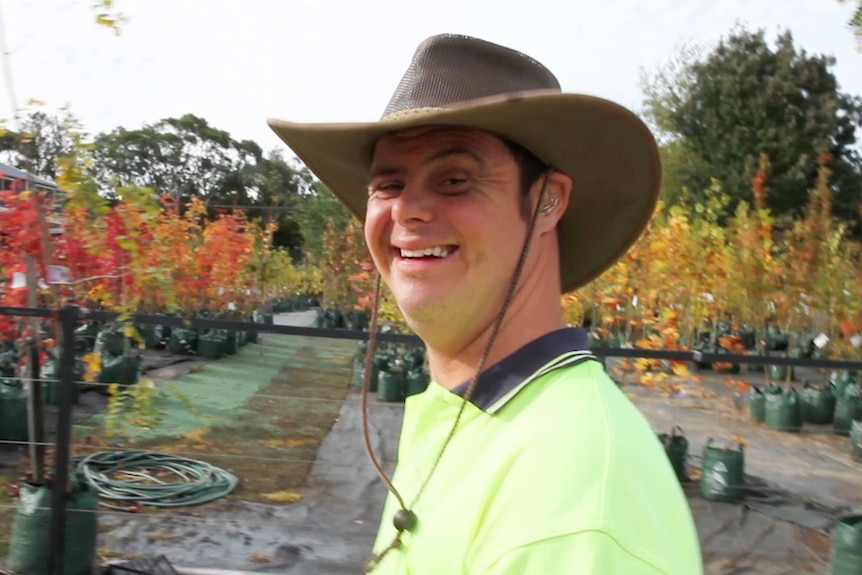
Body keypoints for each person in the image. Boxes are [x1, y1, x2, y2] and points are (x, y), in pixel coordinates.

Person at [269, 33, 702, 574]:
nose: (408, 211)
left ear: (547, 201)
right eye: (388, 184)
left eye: (454, 179)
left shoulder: (572, 499)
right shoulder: (465, 411)